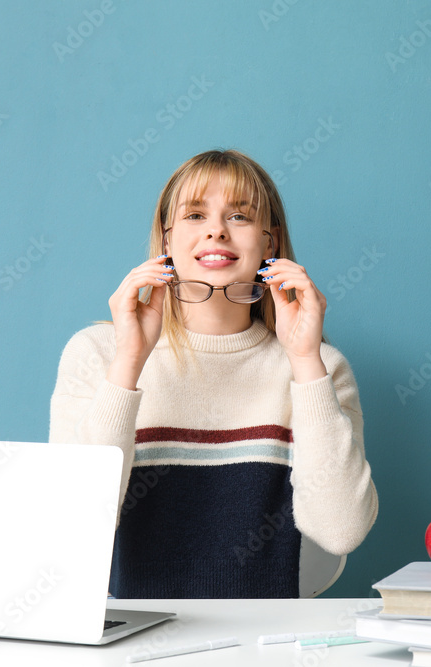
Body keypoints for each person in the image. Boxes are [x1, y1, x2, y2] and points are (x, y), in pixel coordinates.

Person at [49, 149, 377, 598]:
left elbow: (342, 531)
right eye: (196, 214)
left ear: (270, 244)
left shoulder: (319, 368)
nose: (216, 230)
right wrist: (128, 363)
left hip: (266, 646)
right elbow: (73, 524)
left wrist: (304, 362)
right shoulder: (96, 354)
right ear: (167, 242)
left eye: (239, 216)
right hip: (135, 643)